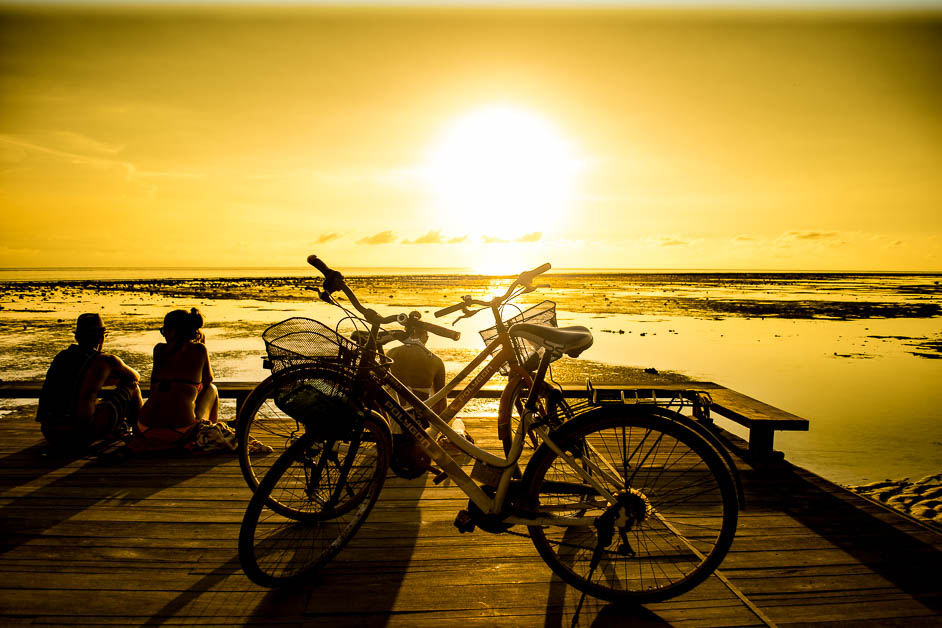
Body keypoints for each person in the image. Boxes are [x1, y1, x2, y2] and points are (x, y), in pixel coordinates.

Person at [36, 313, 143, 452]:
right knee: (132, 387)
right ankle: (139, 433)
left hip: (50, 433)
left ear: (77, 337)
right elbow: (135, 376)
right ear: (101, 337)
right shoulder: (106, 360)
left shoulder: (62, 357)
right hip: (78, 436)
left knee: (89, 403)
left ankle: (113, 430)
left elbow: (76, 382)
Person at [135, 308, 222, 450]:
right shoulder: (199, 350)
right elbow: (208, 380)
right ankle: (207, 433)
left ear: (173, 331)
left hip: (146, 428)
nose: (163, 335)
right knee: (212, 389)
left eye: (164, 331)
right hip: (181, 431)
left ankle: (205, 430)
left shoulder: (159, 350)